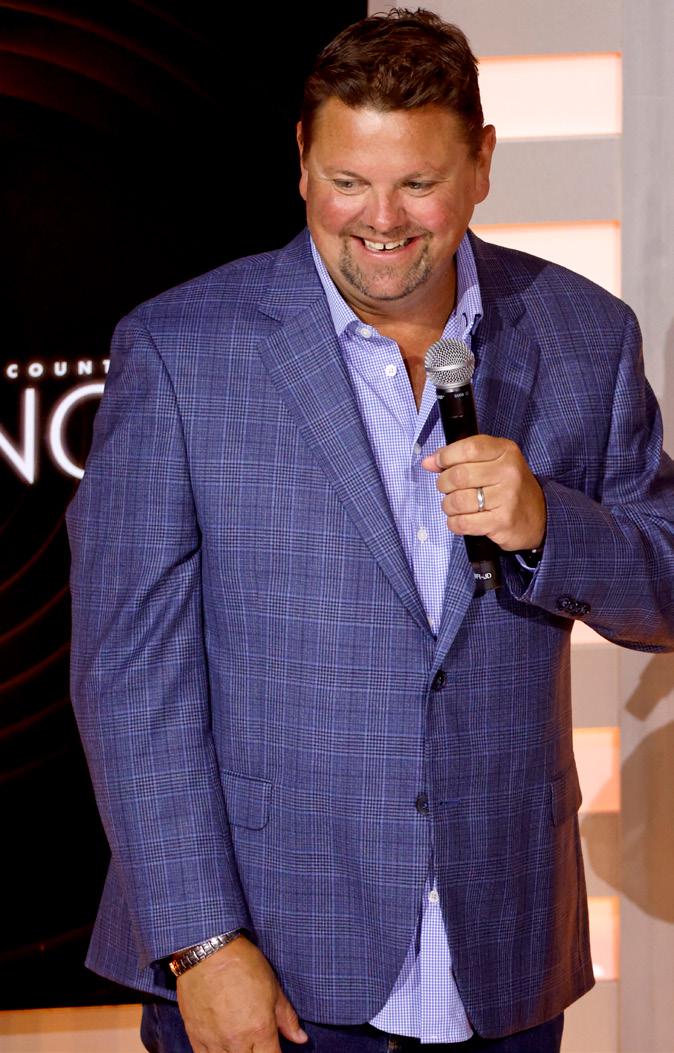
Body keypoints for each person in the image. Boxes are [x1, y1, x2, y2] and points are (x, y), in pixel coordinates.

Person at [67, 9, 674, 1053]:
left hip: (506, 960)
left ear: (481, 164)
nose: (380, 220)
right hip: (269, 961)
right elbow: (128, 677)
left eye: (417, 183)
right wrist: (201, 942)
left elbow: (663, 587)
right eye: (348, 180)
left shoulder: (584, 333)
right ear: (302, 161)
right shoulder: (180, 351)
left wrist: (548, 525)